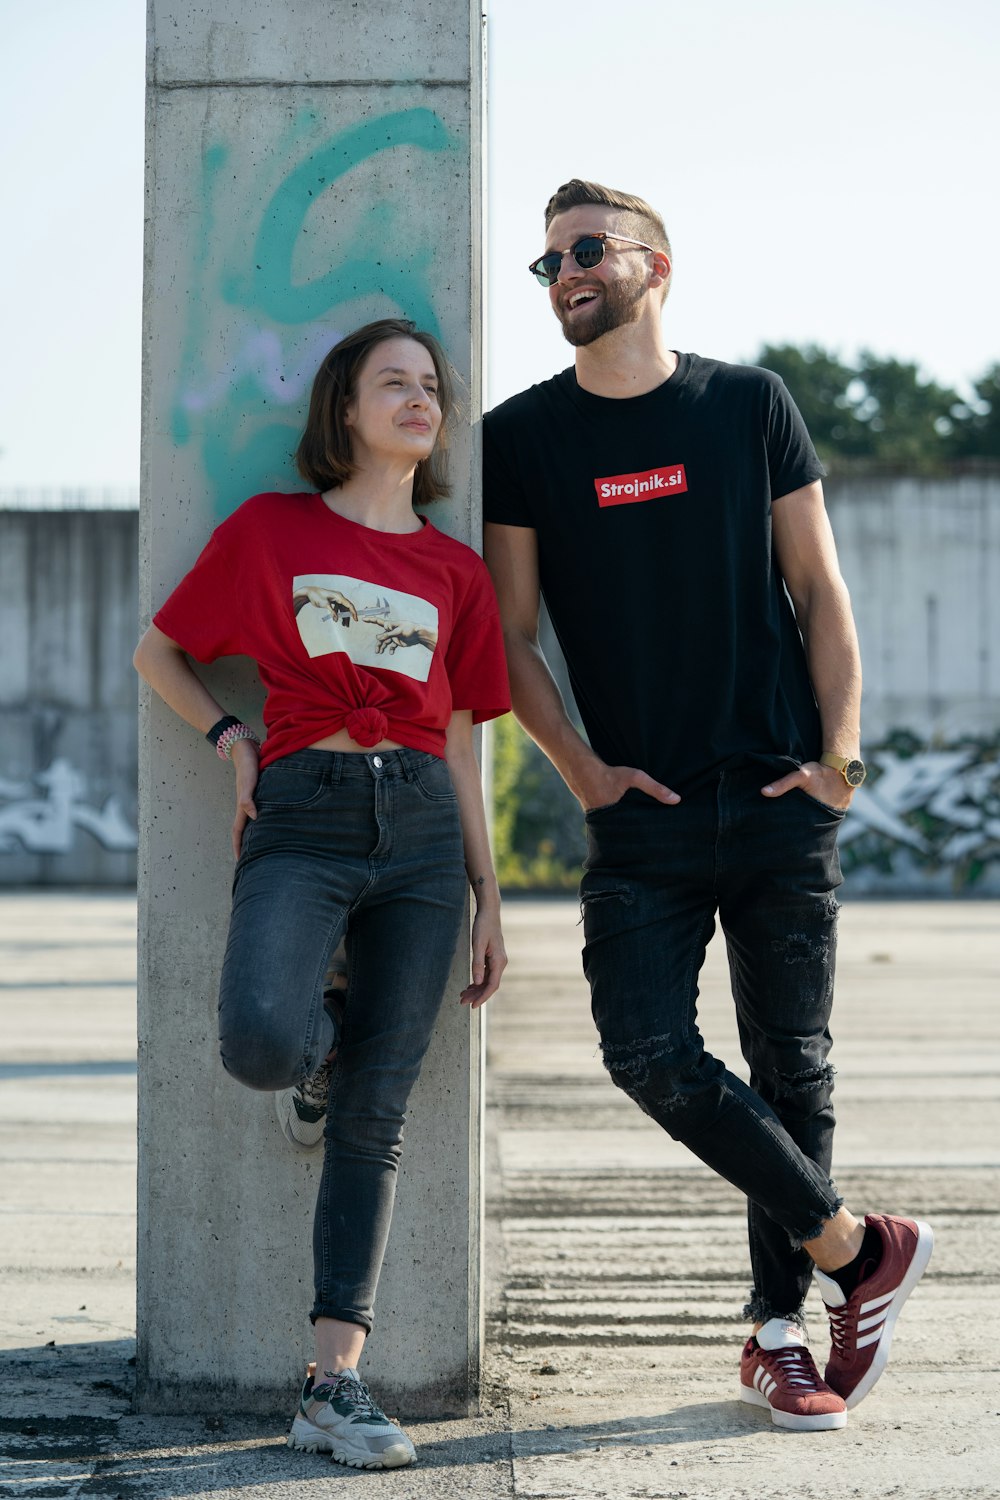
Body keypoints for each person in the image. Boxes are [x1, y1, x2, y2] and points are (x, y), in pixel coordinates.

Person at [482, 179, 932, 1433]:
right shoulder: (522, 438)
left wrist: (839, 760)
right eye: (547, 262)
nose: (563, 271)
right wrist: (579, 772)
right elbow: (512, 639)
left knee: (794, 1067)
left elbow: (820, 589)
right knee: (643, 1048)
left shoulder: (748, 405)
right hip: (643, 812)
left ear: (653, 264)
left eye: (584, 249)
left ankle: (780, 1329)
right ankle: (858, 1246)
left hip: (781, 791)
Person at [134, 318, 510, 1469]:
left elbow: (457, 743)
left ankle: (332, 1383)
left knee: (378, 1117)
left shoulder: (455, 569)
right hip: (300, 812)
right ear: (343, 409)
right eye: (392, 382)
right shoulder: (272, 533)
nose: (418, 400)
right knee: (257, 1040)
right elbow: (161, 653)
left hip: (421, 837)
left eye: (430, 386)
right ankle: (326, 1042)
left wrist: (489, 896)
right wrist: (230, 738)